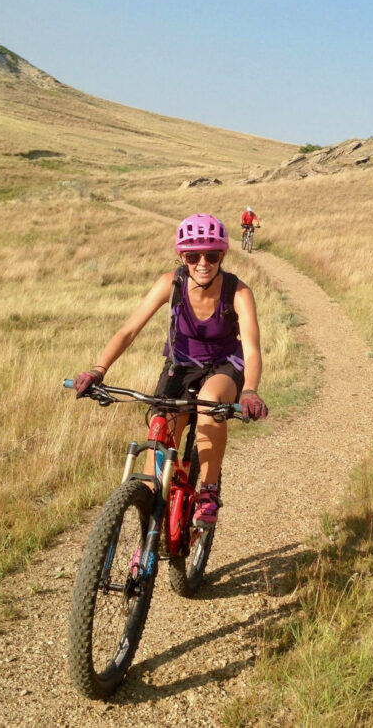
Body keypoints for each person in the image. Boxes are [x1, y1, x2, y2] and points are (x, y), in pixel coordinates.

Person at [72, 213, 268, 527]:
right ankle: (148, 531)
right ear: (182, 256)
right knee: (159, 443)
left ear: (223, 255)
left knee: (209, 403)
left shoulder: (239, 292)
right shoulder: (171, 284)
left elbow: (252, 349)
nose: (202, 262)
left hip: (224, 366)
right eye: (192, 255)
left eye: (212, 255)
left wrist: (250, 391)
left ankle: (209, 490)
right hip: (180, 366)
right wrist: (98, 370)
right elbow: (129, 330)